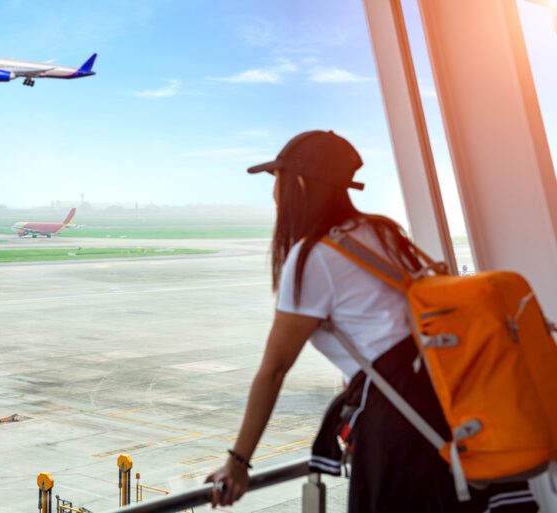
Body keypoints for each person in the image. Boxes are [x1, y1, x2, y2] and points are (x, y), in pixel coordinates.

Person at [204, 131, 538, 512]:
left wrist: (238, 461)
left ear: (296, 182)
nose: (275, 194)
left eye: (277, 182)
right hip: (449, 402)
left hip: (401, 426)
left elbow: (274, 368)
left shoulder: (312, 257)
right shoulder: (382, 233)